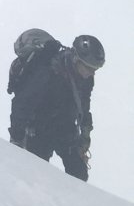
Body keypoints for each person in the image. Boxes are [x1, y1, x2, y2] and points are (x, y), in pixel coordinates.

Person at [8, 32, 106, 179]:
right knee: (36, 176)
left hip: (65, 127)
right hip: (38, 130)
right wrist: (17, 139)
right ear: (76, 59)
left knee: (79, 174)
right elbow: (22, 104)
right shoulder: (48, 71)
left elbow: (84, 106)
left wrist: (85, 137)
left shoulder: (85, 79)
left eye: (95, 69)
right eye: (89, 68)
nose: (92, 73)